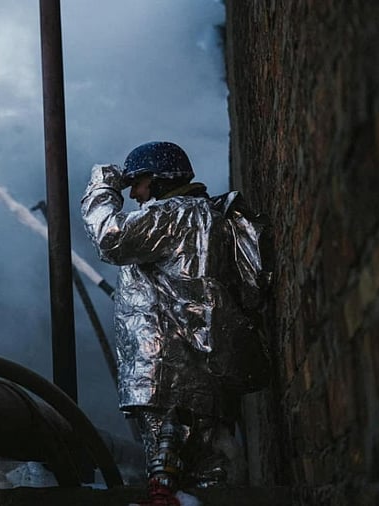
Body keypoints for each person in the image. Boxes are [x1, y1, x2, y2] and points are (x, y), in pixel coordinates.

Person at [80, 141, 270, 502]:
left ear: (160, 179)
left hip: (167, 380)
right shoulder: (211, 217)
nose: (134, 194)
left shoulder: (172, 215)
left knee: (168, 485)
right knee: (210, 478)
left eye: (138, 182)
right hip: (208, 380)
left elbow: (109, 237)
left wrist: (103, 184)